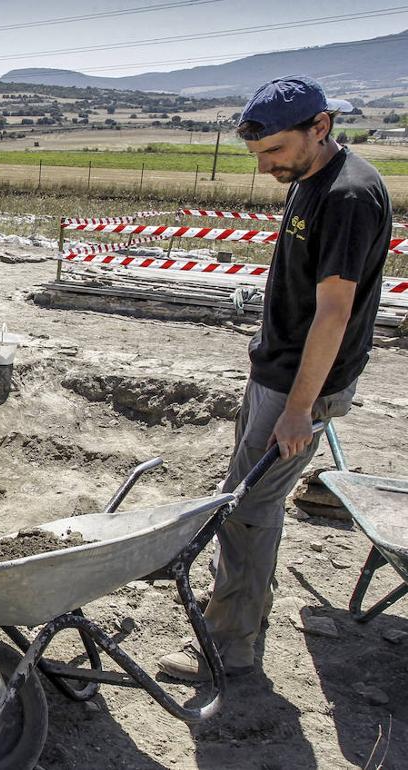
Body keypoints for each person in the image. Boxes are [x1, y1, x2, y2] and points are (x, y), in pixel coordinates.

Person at [159, 76, 392, 682]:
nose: (265, 167)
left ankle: (228, 645)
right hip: (280, 373)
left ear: (321, 128)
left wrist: (298, 407)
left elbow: (335, 311)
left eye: (275, 152)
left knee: (248, 508)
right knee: (246, 498)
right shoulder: (309, 179)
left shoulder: (347, 197)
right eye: (257, 155)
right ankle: (243, 614)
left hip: (298, 388)